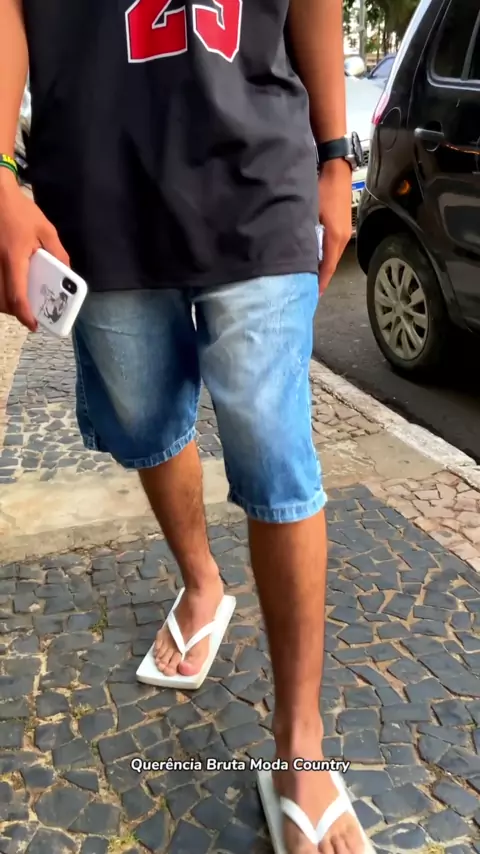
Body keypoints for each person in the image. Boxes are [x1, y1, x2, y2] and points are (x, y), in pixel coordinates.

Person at [0, 1, 368, 851]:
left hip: (259, 168)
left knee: (275, 448)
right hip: (96, 186)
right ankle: (203, 582)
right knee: (143, 419)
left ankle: (300, 747)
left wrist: (336, 154)